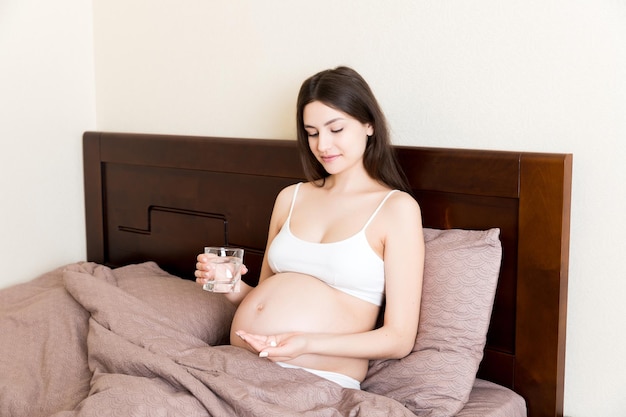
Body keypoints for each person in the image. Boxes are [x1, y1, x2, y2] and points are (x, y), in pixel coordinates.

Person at [195, 66, 424, 390]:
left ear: (368, 124)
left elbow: (399, 338)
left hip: (319, 378)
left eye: (336, 129)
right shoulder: (291, 197)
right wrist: (231, 288)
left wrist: (307, 343)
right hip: (240, 364)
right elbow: (264, 294)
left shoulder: (396, 209)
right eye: (313, 132)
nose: (323, 145)